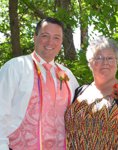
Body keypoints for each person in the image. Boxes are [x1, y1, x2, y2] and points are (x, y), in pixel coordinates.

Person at [0, 17, 79, 150]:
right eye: (45, 36)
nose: (50, 42)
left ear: (61, 42)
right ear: (35, 37)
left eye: (56, 38)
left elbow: (79, 113)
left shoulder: (68, 75)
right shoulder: (15, 67)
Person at [65, 35, 118, 149]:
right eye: (99, 58)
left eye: (110, 58)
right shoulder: (79, 92)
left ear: (117, 63)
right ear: (90, 63)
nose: (105, 62)